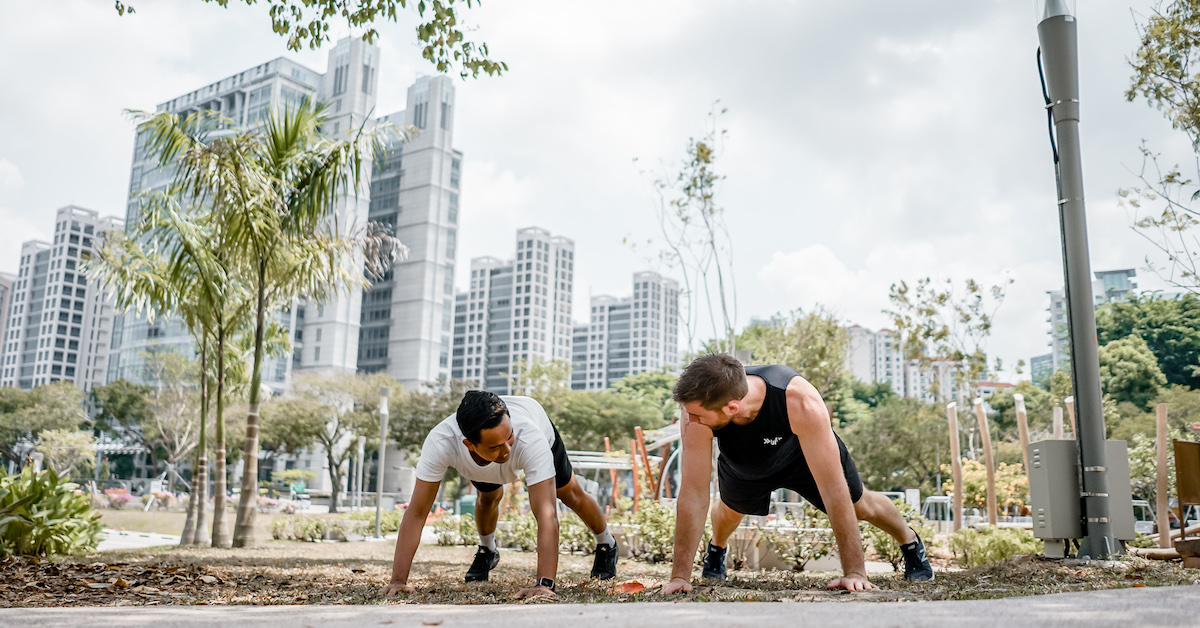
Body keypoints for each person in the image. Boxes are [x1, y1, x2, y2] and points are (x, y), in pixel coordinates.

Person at [660, 354, 934, 594]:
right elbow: (694, 494)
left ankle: (910, 542)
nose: (689, 419)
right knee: (731, 510)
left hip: (801, 456)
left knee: (859, 505)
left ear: (732, 407)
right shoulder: (697, 407)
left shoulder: (799, 400)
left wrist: (855, 573)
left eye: (695, 415)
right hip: (745, 458)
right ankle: (717, 550)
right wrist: (680, 576)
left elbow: (833, 488)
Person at [381, 391, 619, 599]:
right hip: (480, 460)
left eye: (509, 437)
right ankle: (487, 551)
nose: (507, 451)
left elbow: (546, 514)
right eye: (495, 446)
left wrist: (544, 584)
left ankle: (607, 544)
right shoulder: (441, 442)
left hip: (536, 425)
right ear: (469, 445)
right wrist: (398, 581)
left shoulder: (529, 438)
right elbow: (417, 513)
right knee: (487, 499)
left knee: (568, 494)